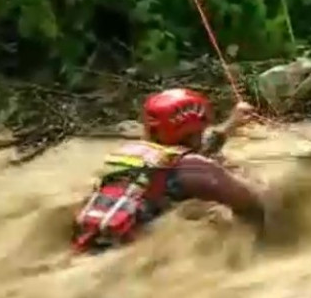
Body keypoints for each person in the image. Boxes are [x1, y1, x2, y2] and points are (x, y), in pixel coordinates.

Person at [71, 88, 269, 252]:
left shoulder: (127, 154)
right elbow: (253, 203)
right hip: (135, 255)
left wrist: (231, 124)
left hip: (93, 244)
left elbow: (177, 157)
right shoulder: (197, 170)